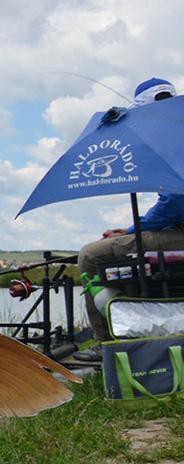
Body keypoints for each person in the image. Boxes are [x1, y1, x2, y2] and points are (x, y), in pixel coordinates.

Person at [74, 77, 184, 359]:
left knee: (90, 255)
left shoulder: (167, 140)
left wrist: (130, 230)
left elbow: (173, 201)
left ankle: (107, 343)